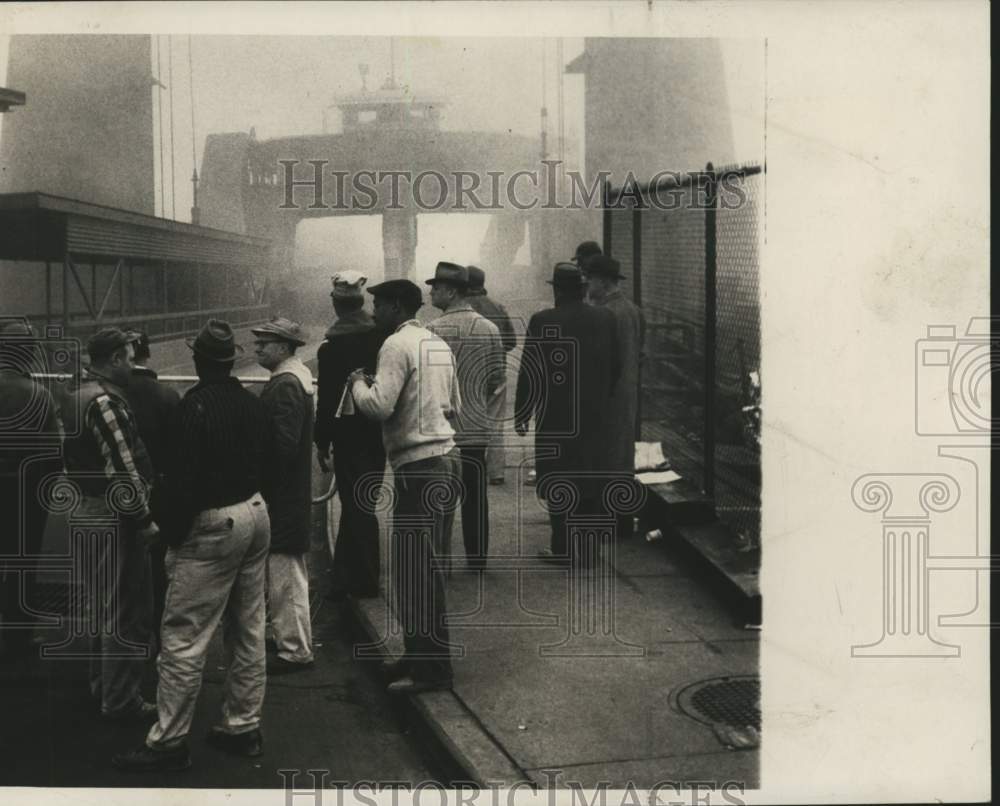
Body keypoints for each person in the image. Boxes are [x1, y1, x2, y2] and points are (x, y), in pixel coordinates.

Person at [113, 319, 270, 772]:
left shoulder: (193, 408)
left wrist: (170, 534)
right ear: (231, 360)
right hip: (256, 513)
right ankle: (242, 726)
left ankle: (168, 742)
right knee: (247, 629)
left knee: (184, 636)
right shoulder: (251, 402)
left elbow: (179, 485)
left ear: (200, 361)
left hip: (212, 522)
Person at [350, 279, 460, 693]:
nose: (374, 310)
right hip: (444, 460)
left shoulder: (395, 346)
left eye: (378, 304)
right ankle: (417, 656)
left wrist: (357, 384)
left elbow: (378, 407)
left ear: (397, 307)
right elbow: (455, 406)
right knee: (418, 570)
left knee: (418, 572)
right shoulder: (437, 344)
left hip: (419, 466)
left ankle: (433, 672)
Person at [60, 327, 159, 718]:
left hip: (83, 509)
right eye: (130, 357)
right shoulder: (105, 402)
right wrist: (145, 520)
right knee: (124, 609)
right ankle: (120, 700)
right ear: (115, 358)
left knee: (99, 605)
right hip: (110, 515)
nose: (134, 364)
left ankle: (102, 687)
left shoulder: (74, 394)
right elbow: (123, 470)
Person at [514, 263, 620, 565]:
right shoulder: (605, 318)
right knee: (590, 478)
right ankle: (588, 551)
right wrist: (602, 398)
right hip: (594, 415)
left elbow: (530, 371)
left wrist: (523, 410)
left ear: (557, 290)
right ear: (584, 289)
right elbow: (617, 366)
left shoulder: (543, 320)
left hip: (556, 415)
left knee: (560, 479)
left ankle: (562, 548)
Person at [425, 262, 503, 571]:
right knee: (475, 498)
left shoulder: (433, 331)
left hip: (443, 430)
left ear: (450, 291)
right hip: (475, 427)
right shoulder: (489, 328)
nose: (431, 292)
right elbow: (497, 378)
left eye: (436, 288)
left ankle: (441, 562)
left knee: (440, 499)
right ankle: (477, 559)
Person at [315, 270, 387, 600]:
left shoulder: (331, 349)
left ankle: (366, 580)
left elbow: (328, 400)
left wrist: (321, 441)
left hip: (346, 436)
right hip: (377, 431)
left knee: (355, 505)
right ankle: (345, 576)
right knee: (362, 503)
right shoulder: (380, 338)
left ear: (336, 304)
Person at [252, 316, 316, 674]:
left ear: (286, 347)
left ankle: (296, 649)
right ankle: (289, 638)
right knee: (283, 573)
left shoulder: (286, 385)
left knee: (285, 576)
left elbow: (284, 447)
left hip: (283, 495)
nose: (259, 346)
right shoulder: (294, 378)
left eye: (266, 341)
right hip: (288, 493)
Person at [0, 319, 62, 659]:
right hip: (25, 496)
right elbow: (52, 455)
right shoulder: (38, 395)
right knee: (22, 563)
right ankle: (18, 635)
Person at [582, 254, 646, 540]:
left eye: (590, 279)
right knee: (622, 457)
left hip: (607, 396)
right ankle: (621, 520)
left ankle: (606, 523)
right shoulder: (633, 310)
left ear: (603, 282)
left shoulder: (604, 314)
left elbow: (602, 360)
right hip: (628, 393)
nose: (586, 284)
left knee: (603, 458)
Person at [124, 331, 180, 651]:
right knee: (158, 571)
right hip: (157, 493)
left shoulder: (110, 395)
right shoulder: (167, 396)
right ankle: (157, 638)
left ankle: (125, 639)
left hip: (116, 494)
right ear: (148, 354)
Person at [466, 265, 517, 486]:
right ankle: (496, 472)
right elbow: (511, 342)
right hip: (496, 371)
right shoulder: (498, 307)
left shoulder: (462, 308)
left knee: (467, 419)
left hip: (467, 372)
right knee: (495, 422)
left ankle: (469, 467)